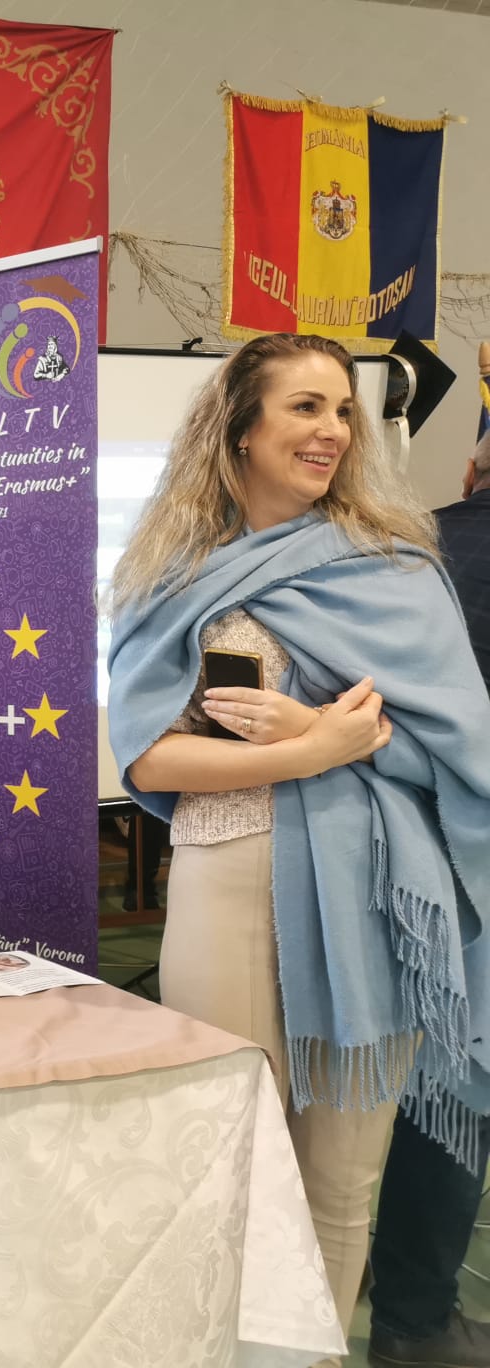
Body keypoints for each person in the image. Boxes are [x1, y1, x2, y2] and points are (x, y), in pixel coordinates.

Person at [106, 333, 490, 1366]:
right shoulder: (173, 573)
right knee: (231, 1162)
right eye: (305, 408)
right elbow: (148, 754)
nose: (331, 432)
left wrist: (339, 738)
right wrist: (313, 748)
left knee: (342, 1184)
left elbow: (462, 743)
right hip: (224, 883)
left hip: (377, 898)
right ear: (241, 426)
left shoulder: (396, 567)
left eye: (343, 412)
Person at [365, 427, 490, 1368]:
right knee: (459, 1080)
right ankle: (415, 1316)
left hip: (397, 845)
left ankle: (391, 1293)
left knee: (423, 1074)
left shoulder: (407, 548)